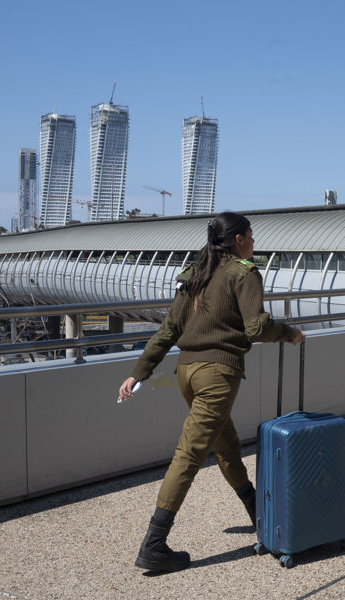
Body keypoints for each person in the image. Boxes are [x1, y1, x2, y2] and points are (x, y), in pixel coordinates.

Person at [118, 211, 304, 573]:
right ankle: (154, 544)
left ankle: (256, 514)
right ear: (238, 239)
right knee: (189, 454)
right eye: (251, 235)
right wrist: (289, 332)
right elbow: (255, 326)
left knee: (226, 445)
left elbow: (169, 329)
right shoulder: (244, 273)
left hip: (187, 373)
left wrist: (138, 372)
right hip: (218, 374)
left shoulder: (195, 273)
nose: (254, 241)